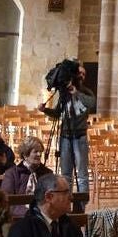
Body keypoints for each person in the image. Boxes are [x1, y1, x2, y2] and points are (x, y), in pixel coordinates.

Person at [39, 64, 95, 203]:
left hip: (79, 136)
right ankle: (66, 203)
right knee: (66, 174)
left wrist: (75, 92)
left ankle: (81, 204)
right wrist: (45, 110)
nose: (81, 76)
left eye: (83, 74)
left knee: (82, 174)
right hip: (65, 136)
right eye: (79, 73)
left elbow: (91, 103)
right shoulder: (64, 94)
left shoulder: (86, 92)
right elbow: (58, 113)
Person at [1, 135, 52, 219]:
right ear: (25, 155)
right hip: (19, 217)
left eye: (40, 152)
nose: (39, 154)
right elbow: (6, 200)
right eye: (35, 151)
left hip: (43, 217)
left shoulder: (47, 173)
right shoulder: (12, 174)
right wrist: (26, 213)